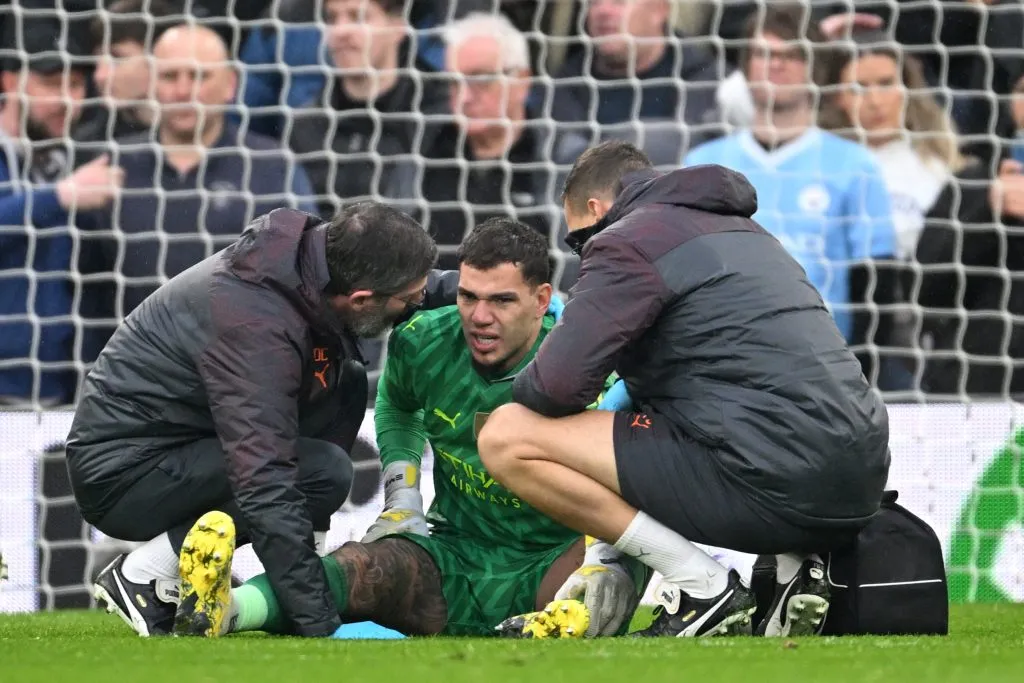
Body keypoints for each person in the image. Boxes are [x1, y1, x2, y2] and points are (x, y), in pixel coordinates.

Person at [475, 140, 892, 639]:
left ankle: (703, 588)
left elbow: (552, 389)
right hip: (859, 483)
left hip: (771, 477)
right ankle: (790, 571)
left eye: (576, 242)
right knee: (683, 408)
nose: (581, 255)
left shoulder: (626, 240)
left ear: (595, 210)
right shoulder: (750, 234)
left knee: (507, 433)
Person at [169, 217, 647, 639]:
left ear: (542, 299)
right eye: (468, 296)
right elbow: (397, 408)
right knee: (364, 567)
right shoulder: (422, 342)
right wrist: (403, 495)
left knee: (594, 588)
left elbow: (642, 481)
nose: (480, 317)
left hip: (556, 556)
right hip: (456, 555)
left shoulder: (588, 371)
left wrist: (610, 561)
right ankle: (226, 612)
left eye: (502, 300)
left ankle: (570, 617)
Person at [68, 201, 453, 638]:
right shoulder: (256, 329)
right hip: (124, 474)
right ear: (361, 299)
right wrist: (318, 621)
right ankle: (146, 576)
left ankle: (307, 563)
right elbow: (264, 479)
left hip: (175, 444)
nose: (419, 304)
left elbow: (408, 285)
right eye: (411, 300)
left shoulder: (313, 262)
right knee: (322, 473)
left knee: (342, 378)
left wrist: (503, 298)